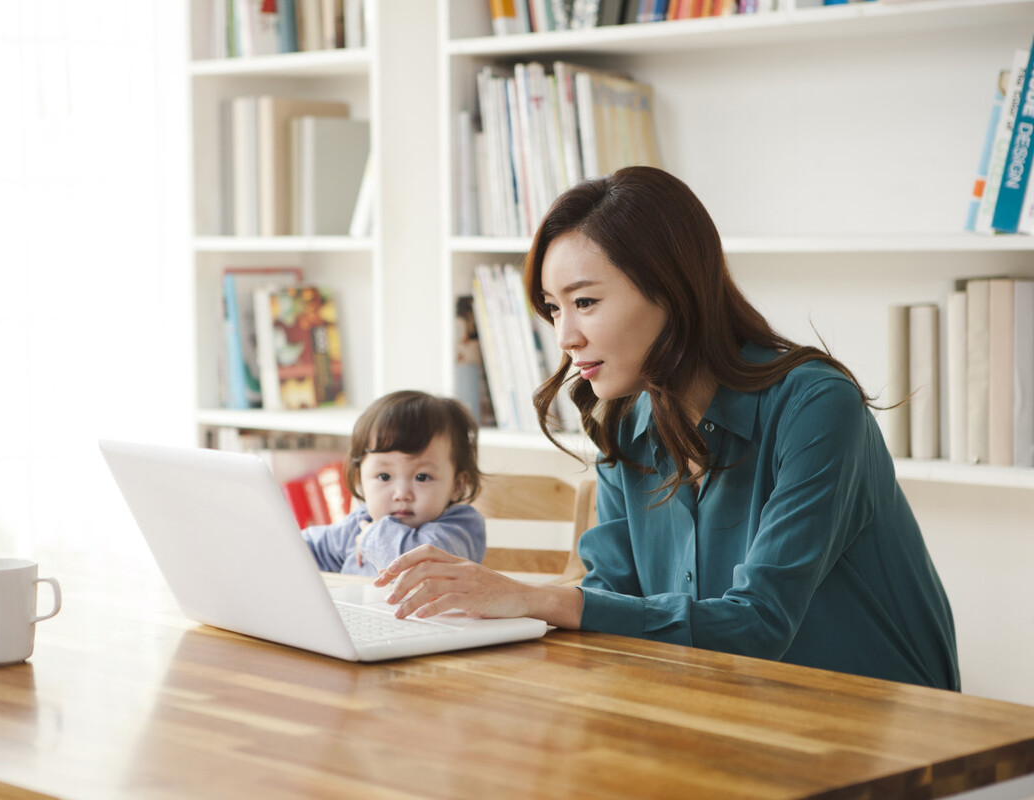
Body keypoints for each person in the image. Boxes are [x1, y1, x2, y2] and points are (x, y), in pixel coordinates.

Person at [375, 166, 960, 691]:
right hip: (724, 710)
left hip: (886, 736)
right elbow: (613, 603)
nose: (565, 337)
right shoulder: (625, 421)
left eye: (584, 302)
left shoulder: (816, 404)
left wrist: (537, 598)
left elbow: (758, 624)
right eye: (555, 309)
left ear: (671, 290)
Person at [302, 390, 486, 577]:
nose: (401, 494)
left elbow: (419, 564)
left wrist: (370, 537)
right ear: (360, 480)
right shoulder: (361, 522)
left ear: (457, 486)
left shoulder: (460, 527)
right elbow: (308, 549)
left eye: (421, 477)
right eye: (384, 476)